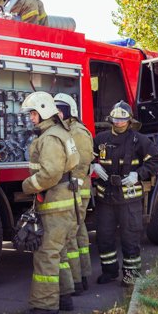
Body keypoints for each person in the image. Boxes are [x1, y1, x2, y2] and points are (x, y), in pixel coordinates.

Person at [19, 91, 80, 314]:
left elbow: (51, 173)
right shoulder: (60, 132)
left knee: (46, 254)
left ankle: (45, 307)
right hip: (65, 205)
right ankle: (64, 298)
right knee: (59, 253)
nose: (31, 118)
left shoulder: (50, 138)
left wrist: (27, 185)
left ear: (44, 111)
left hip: (56, 204)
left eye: (33, 113)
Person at [92, 100, 158, 287]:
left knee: (130, 237)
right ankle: (109, 272)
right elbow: (88, 155)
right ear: (110, 119)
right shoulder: (101, 139)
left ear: (129, 121)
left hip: (129, 199)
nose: (118, 123)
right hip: (105, 197)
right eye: (115, 120)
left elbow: (156, 160)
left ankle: (131, 275)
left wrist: (137, 174)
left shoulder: (139, 140)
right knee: (104, 237)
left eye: (122, 120)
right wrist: (93, 165)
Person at [54, 93, 94, 295]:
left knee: (71, 234)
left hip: (77, 189)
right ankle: (83, 275)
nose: (57, 113)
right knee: (78, 233)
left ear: (69, 111)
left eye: (60, 109)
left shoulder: (78, 131)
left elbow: (83, 160)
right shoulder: (66, 129)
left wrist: (75, 184)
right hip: (73, 189)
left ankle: (76, 281)